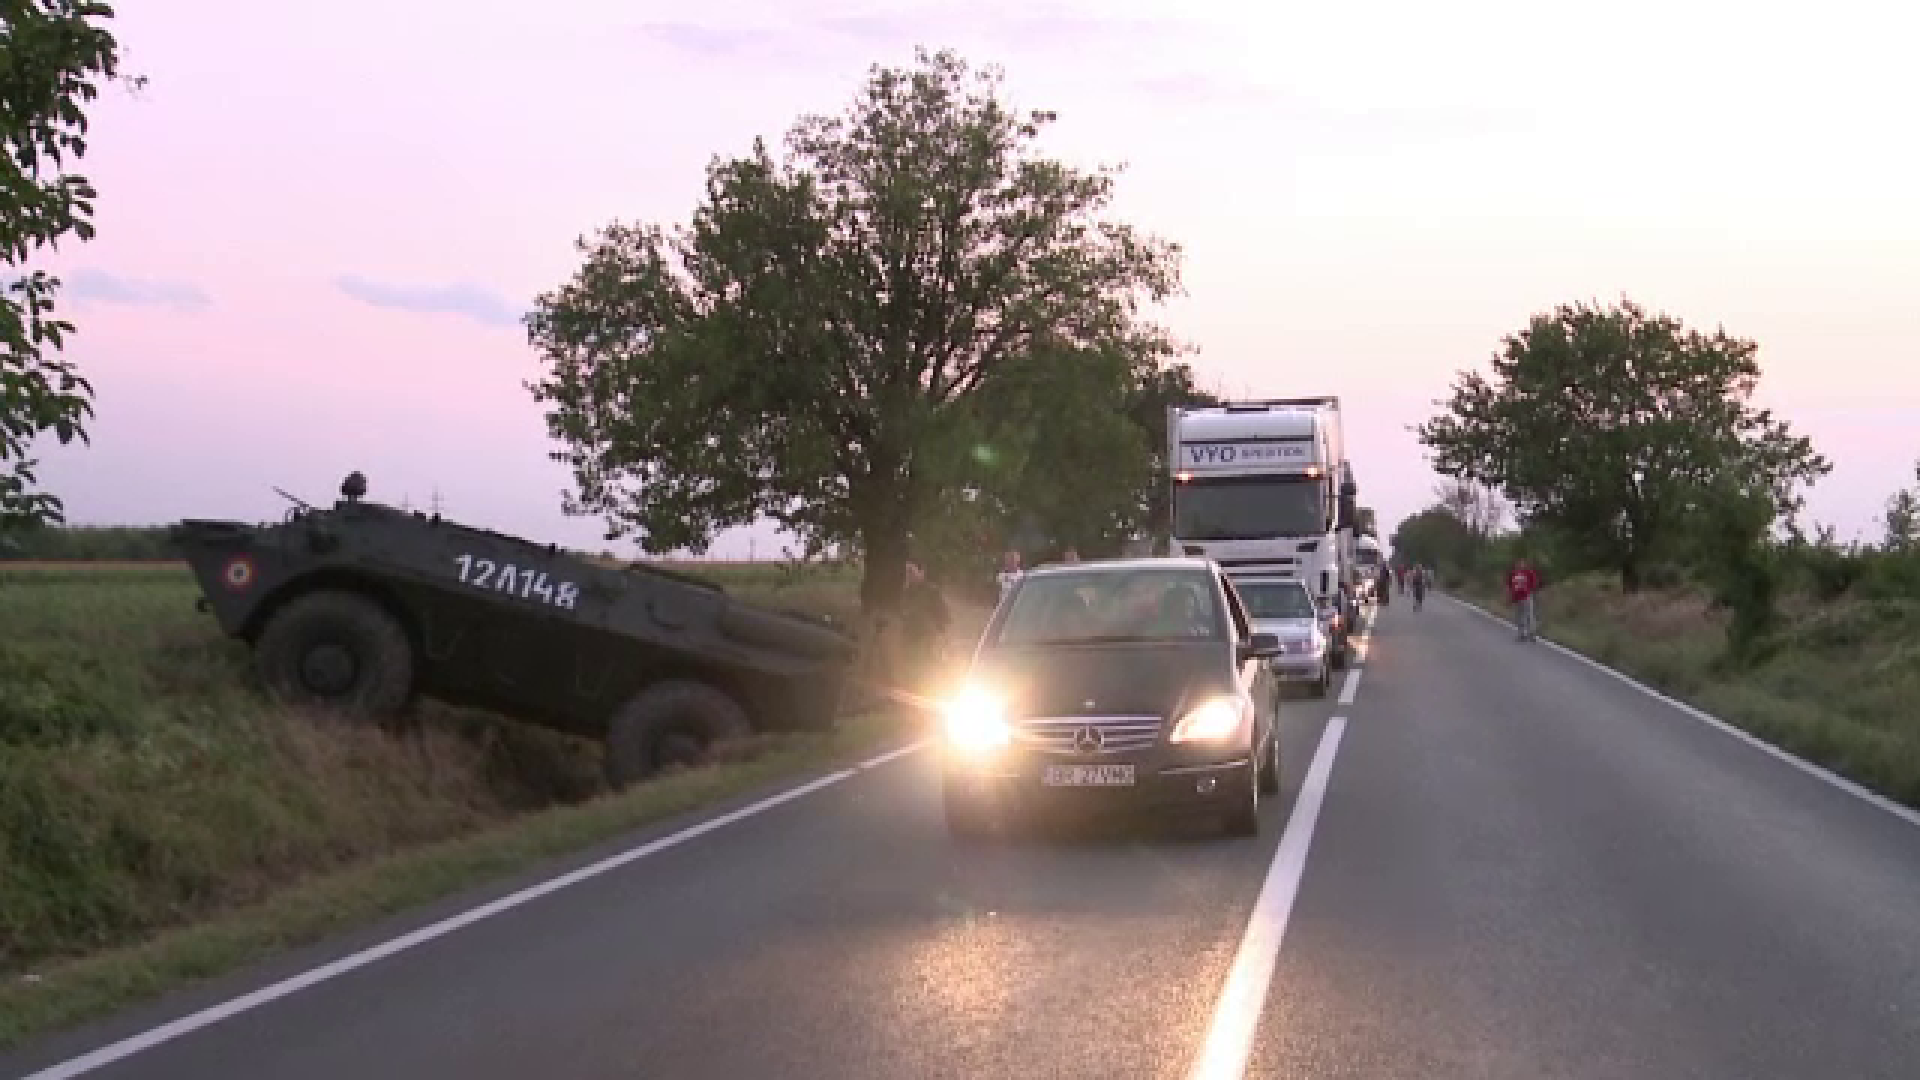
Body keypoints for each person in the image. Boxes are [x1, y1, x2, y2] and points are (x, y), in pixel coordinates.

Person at [1508, 555, 1541, 641]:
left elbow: (1535, 582)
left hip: (1526, 596)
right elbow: (1510, 585)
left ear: (1524, 564)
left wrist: (1530, 590)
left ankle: (1532, 634)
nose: (1520, 565)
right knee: (1519, 616)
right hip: (1517, 598)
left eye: (1521, 563)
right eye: (1518, 564)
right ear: (1516, 565)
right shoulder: (1513, 574)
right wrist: (1510, 595)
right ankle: (1521, 634)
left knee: (1529, 615)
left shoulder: (1528, 572)